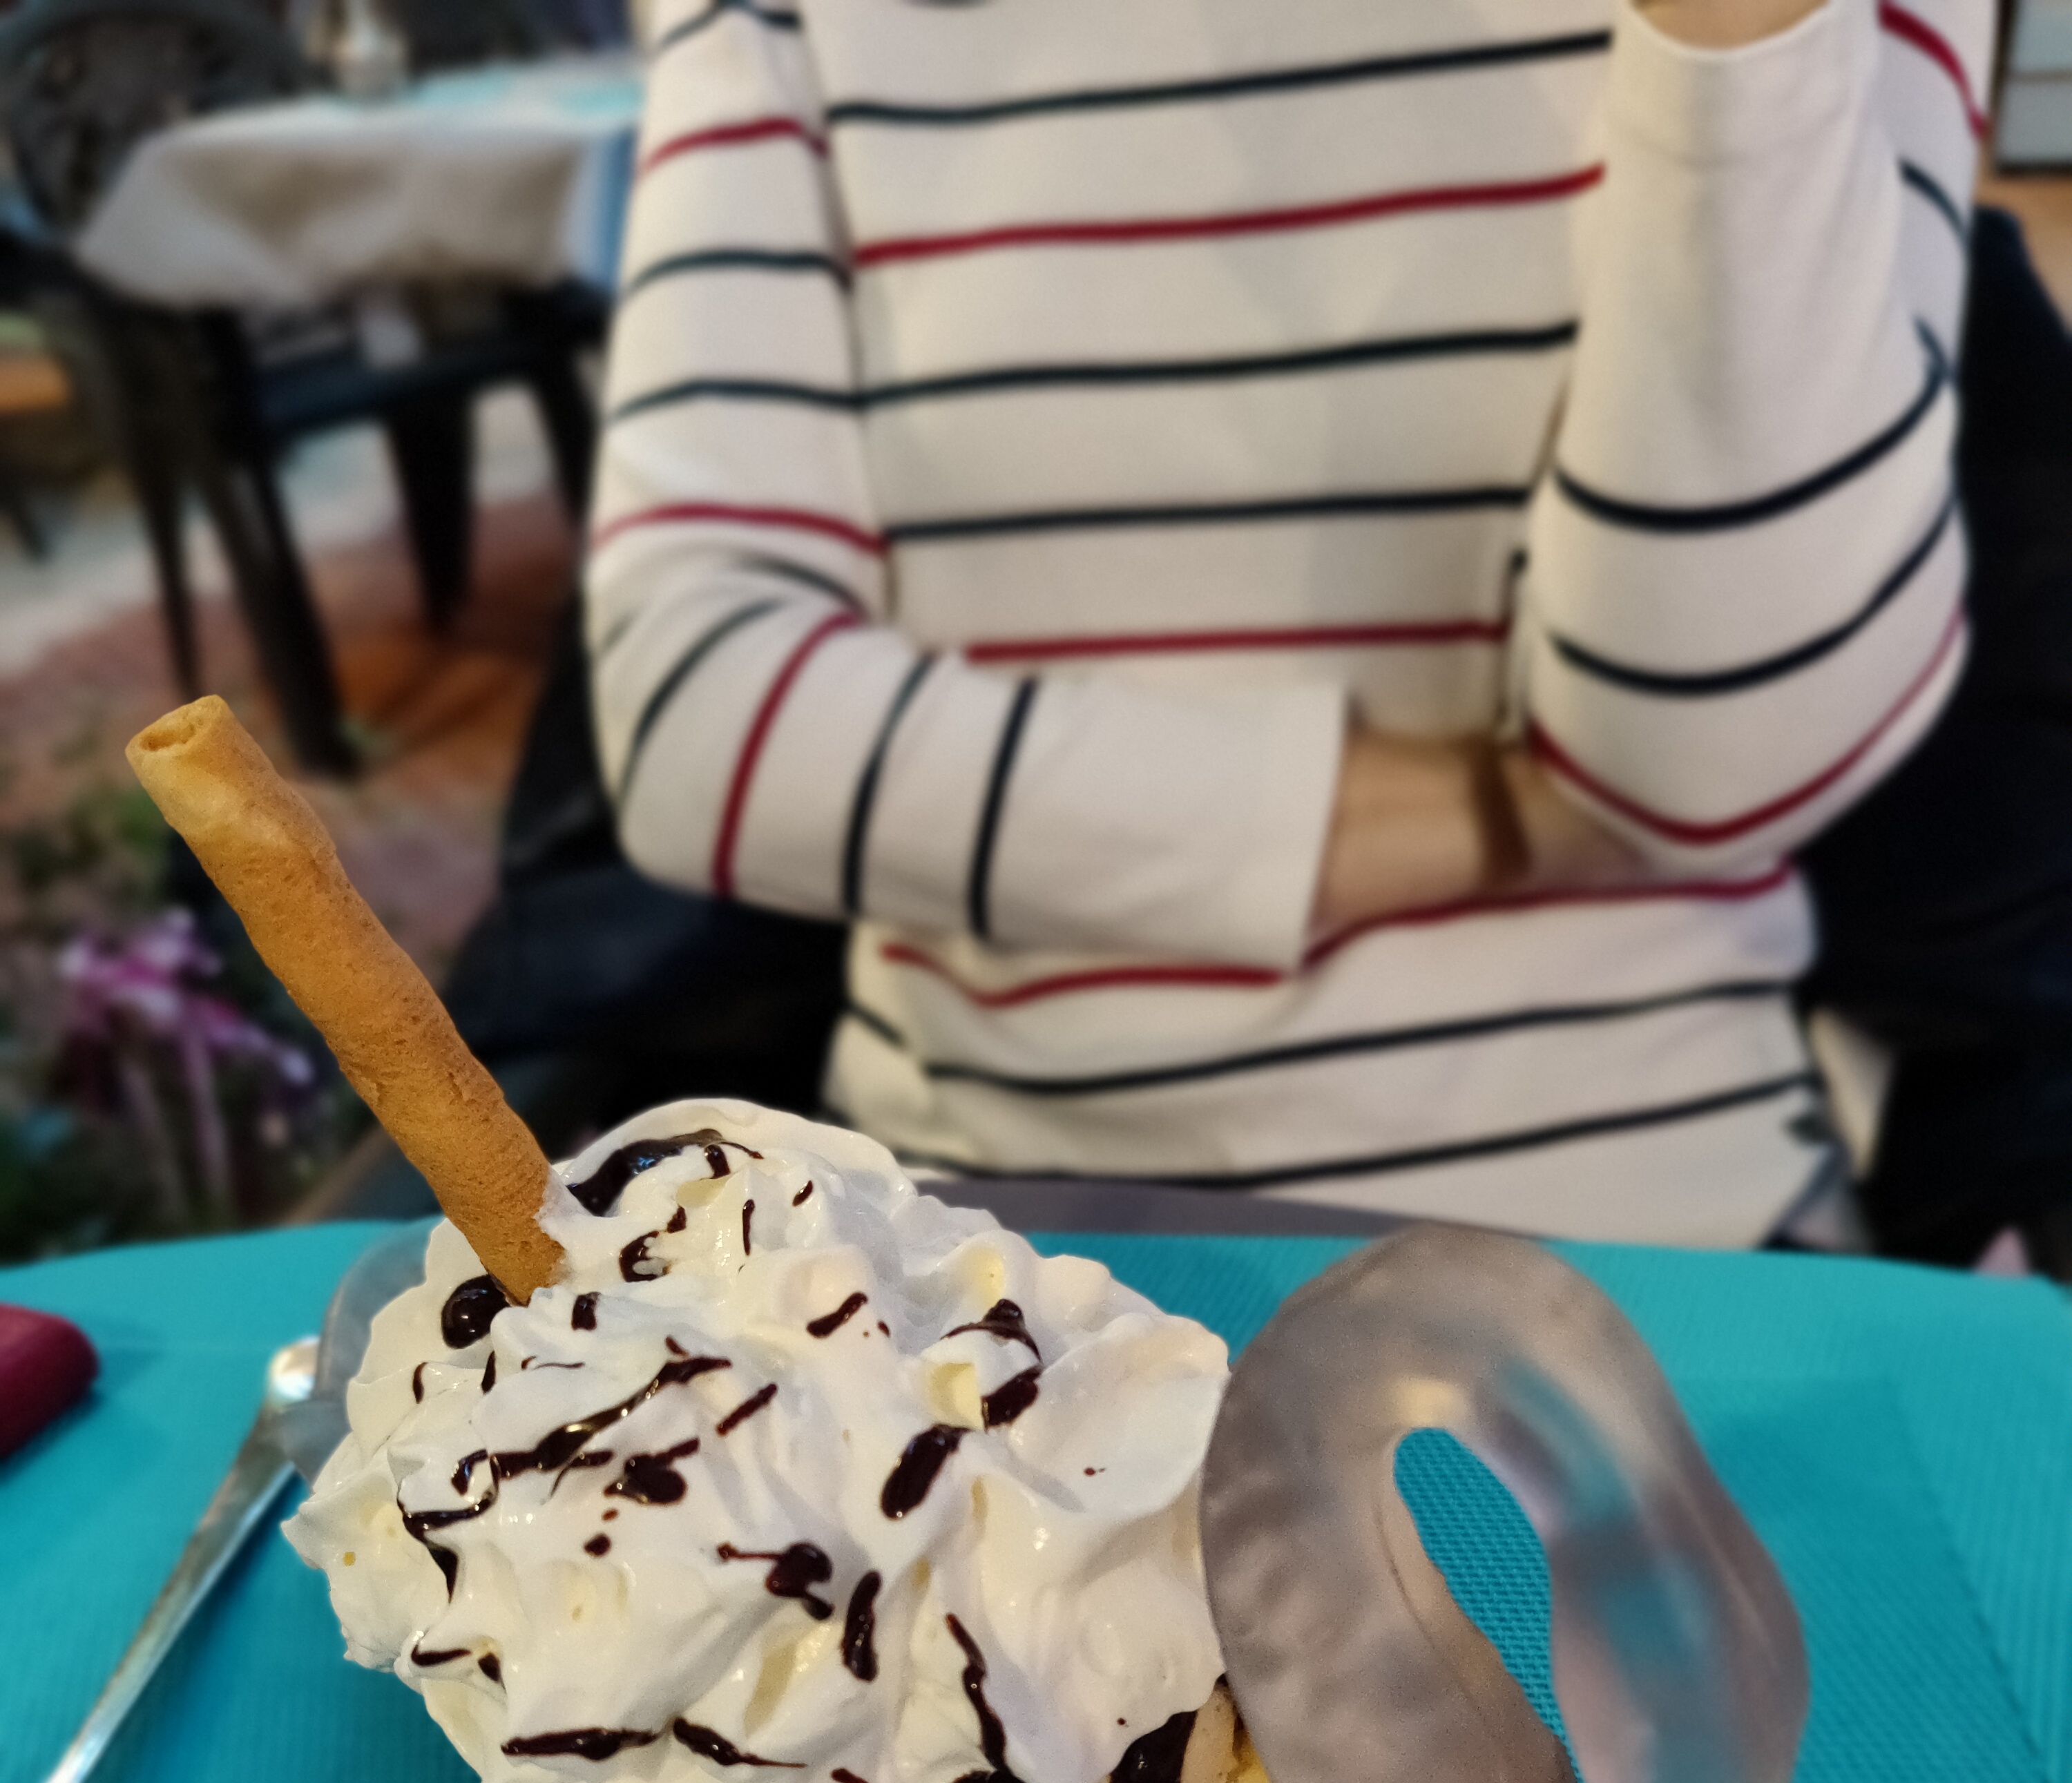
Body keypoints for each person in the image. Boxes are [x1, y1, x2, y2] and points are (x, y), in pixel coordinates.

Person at [585, 0, 1991, 1244]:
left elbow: (1720, 759)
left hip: (1654, 1247)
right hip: (975, 1254)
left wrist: (1731, 46)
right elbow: (698, 711)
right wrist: (1534, 815)